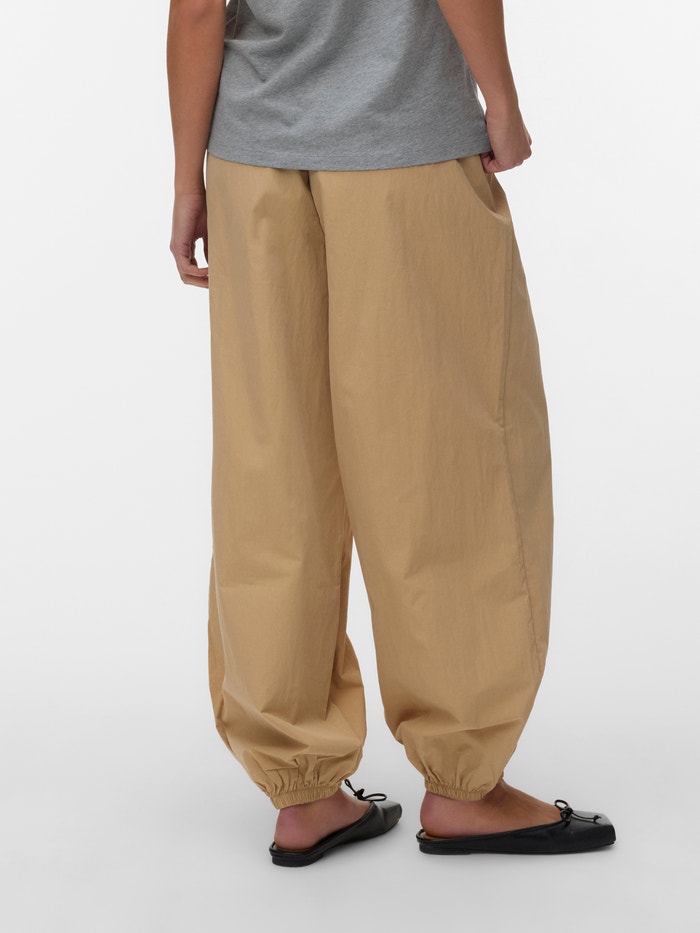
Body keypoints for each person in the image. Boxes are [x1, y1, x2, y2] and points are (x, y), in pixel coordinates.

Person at [166, 0, 616, 866]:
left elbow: (195, 13)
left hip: (252, 163)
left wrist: (190, 179)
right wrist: (502, 102)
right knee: (444, 458)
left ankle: (302, 791)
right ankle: (464, 784)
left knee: (274, 470)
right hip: (404, 146)